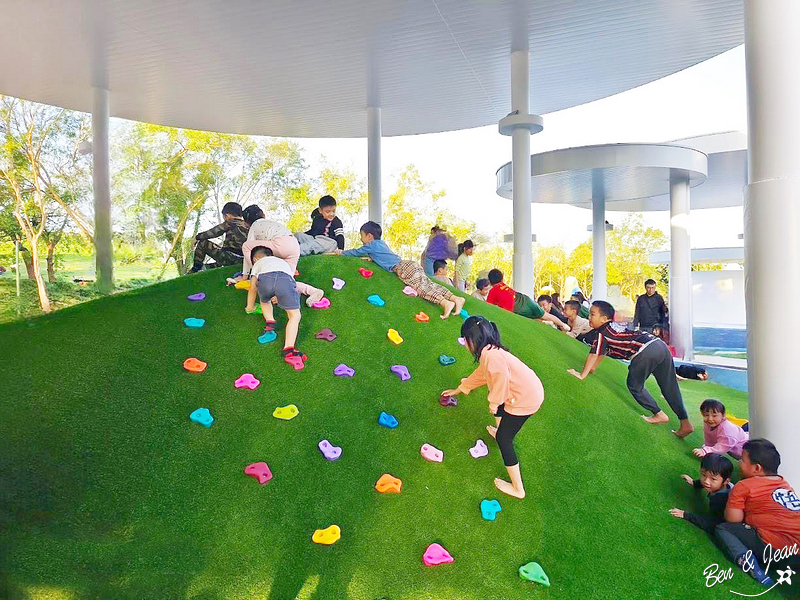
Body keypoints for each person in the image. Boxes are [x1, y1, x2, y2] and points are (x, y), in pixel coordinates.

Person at [442, 316, 544, 499]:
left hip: (525, 398)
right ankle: (500, 429)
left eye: (464, 340)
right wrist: (460, 389)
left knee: (504, 440)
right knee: (499, 410)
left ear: (472, 340)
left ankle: (518, 489)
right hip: (526, 391)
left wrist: (494, 402)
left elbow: (501, 381)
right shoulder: (488, 352)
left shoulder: (491, 356)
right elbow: (481, 375)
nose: (464, 344)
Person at [567, 300, 694, 438]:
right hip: (659, 345)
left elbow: (593, 354)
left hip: (645, 350)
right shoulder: (611, 327)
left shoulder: (601, 333)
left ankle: (659, 414)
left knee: (634, 385)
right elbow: (602, 352)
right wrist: (592, 368)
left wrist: (582, 375)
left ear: (604, 319)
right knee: (669, 386)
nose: (589, 317)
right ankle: (685, 423)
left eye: (592, 314)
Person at [336, 221, 465, 318]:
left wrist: (340, 252)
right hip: (410, 264)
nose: (361, 239)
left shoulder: (370, 245)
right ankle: (455, 298)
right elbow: (379, 256)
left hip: (402, 268)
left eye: (362, 236)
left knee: (420, 288)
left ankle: (444, 302)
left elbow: (355, 252)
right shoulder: (381, 244)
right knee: (429, 283)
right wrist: (371, 258)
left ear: (369, 236)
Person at [716, 439, 800, 586]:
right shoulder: (785, 484)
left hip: (777, 552)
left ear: (756, 468)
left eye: (742, 459)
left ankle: (752, 566)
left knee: (723, 528)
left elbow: (733, 520)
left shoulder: (744, 485)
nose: (738, 462)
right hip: (796, 558)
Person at [245, 246, 307, 370]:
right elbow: (287, 283)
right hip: (286, 280)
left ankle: (270, 323)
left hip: (265, 281)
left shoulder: (258, 264)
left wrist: (250, 307)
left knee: (265, 300)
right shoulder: (282, 262)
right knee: (294, 316)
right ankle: (289, 349)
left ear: (256, 259)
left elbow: (253, 288)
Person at [486, 269, 570, 332]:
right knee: (545, 315)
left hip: (517, 307)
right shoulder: (504, 285)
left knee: (527, 319)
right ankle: (563, 325)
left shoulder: (492, 291)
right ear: (502, 279)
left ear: (490, 281)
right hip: (526, 299)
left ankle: (545, 322)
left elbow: (486, 306)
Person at [669, 453, 734, 534]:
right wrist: (694, 483)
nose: (706, 481)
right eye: (703, 474)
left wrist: (685, 515)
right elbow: (705, 482)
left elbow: (711, 524)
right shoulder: (721, 485)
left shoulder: (721, 500)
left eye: (713, 479)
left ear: (726, 481)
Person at [190, 202, 249, 272]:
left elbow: (214, 232)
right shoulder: (248, 225)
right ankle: (207, 267)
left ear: (227, 216)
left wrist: (198, 237)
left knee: (203, 243)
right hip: (243, 260)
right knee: (223, 251)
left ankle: (196, 269)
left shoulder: (231, 222)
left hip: (230, 257)